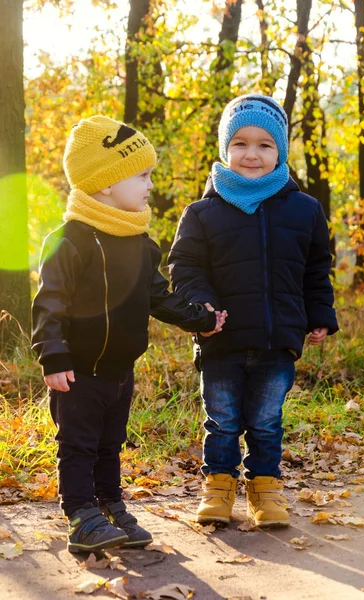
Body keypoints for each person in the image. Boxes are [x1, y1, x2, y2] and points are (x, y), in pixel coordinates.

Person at [31, 115, 226, 554]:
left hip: (121, 372)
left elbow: (160, 297)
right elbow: (49, 304)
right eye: (142, 175)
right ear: (105, 184)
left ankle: (110, 505)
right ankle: (81, 515)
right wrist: (53, 356)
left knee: (108, 444)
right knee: (77, 445)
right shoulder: (69, 240)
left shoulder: (141, 243)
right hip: (77, 372)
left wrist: (202, 318)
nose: (150, 185)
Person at [168, 94, 338, 527]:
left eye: (265, 144)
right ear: (226, 149)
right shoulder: (202, 214)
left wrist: (319, 314)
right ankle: (220, 485)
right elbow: (185, 267)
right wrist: (200, 305)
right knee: (222, 420)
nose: (252, 154)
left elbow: (316, 268)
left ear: (280, 151)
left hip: (278, 339)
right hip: (220, 339)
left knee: (265, 422)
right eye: (240, 143)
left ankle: (265, 487)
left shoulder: (305, 209)